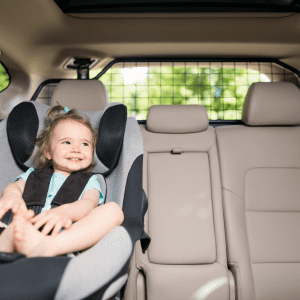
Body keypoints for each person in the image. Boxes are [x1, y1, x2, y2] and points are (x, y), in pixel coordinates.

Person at [0, 105, 124, 257]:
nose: (76, 149)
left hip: (62, 234)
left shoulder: (90, 181)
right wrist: (12, 196)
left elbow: (88, 204)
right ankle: (6, 240)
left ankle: (46, 246)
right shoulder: (32, 174)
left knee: (114, 211)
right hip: (22, 224)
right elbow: (15, 187)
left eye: (85, 144)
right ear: (47, 152)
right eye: (67, 142)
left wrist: (65, 212)